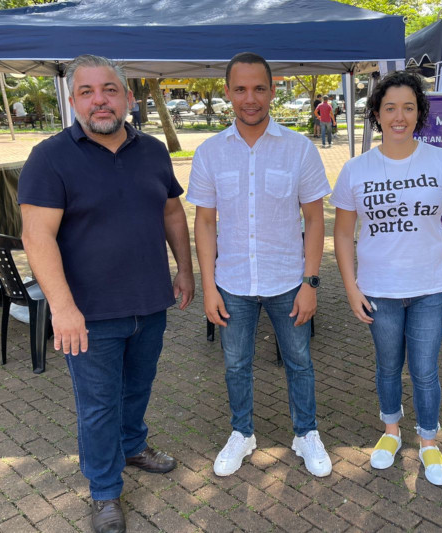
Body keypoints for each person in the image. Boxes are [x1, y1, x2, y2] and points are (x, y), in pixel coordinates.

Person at [18, 54, 195, 533]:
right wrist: (63, 308)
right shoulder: (50, 157)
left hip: (149, 303)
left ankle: (133, 446)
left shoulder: (154, 151)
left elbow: (172, 214)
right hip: (89, 314)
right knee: (98, 406)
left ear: (128, 97)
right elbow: (37, 237)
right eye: (87, 92)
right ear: (73, 100)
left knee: (137, 389)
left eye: (110, 89)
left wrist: (185, 270)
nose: (100, 100)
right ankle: (103, 491)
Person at [187, 52, 333, 479]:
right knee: (235, 364)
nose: (250, 98)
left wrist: (311, 282)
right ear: (228, 92)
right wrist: (209, 287)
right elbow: (206, 222)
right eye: (240, 89)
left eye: (258, 88)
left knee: (299, 361)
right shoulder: (211, 153)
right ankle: (242, 433)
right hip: (232, 282)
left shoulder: (299, 149)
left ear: (272, 90)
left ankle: (306, 434)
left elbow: (314, 218)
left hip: (288, 279)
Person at [332, 71, 442, 486]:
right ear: (376, 113)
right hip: (379, 289)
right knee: (388, 366)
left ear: (419, 112)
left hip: (431, 287)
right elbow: (342, 233)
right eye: (390, 107)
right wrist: (351, 287)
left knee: (426, 370)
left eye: (408, 107)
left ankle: (428, 441)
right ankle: (391, 432)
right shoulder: (356, 169)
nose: (399, 116)